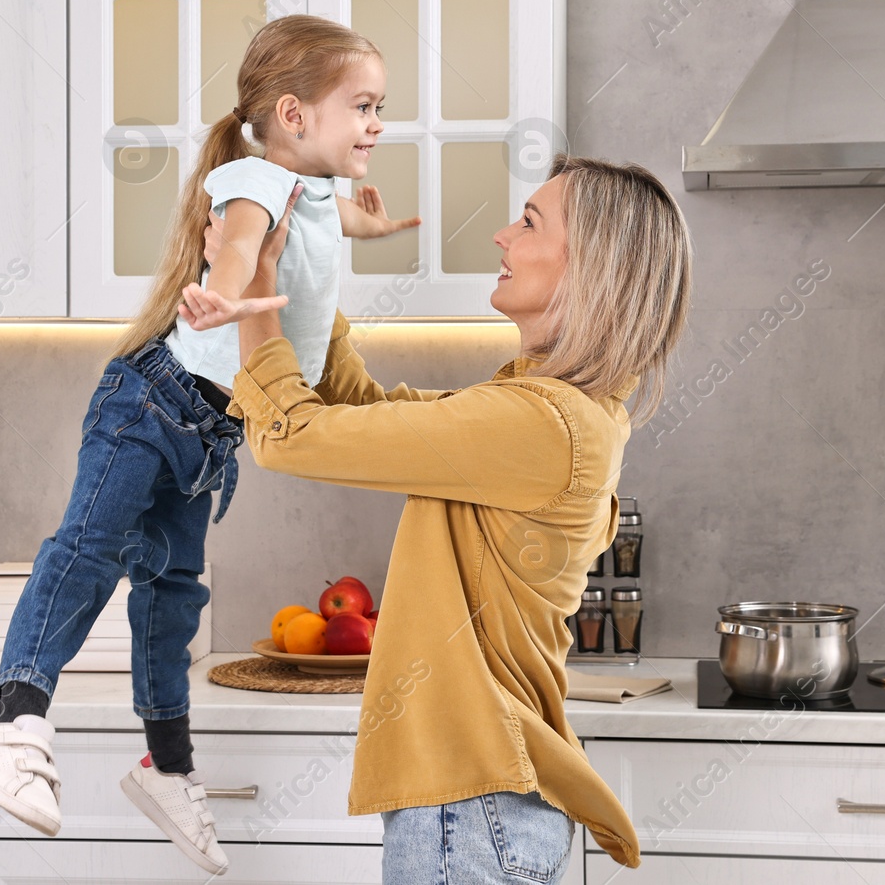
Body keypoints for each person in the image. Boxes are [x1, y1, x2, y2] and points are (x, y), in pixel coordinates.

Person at [0, 14, 418, 874]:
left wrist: (372, 229)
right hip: (149, 407)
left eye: (378, 107)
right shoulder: (252, 180)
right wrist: (224, 296)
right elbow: (239, 244)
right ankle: (11, 721)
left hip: (210, 434)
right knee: (86, 553)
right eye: (362, 106)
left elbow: (323, 229)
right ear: (293, 114)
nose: (377, 123)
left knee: (173, 595)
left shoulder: (309, 188)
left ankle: (166, 767)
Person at [185, 154, 692, 882]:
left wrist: (258, 296)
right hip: (481, 808)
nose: (501, 235)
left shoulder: (544, 426)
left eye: (529, 222)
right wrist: (302, 271)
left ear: (592, 268)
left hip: (473, 807)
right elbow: (361, 407)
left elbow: (290, 433)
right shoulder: (545, 415)